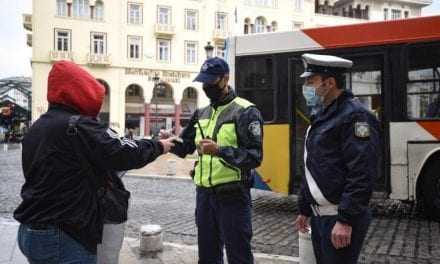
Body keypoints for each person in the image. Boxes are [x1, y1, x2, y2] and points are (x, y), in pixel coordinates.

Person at [14, 61, 175, 264]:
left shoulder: (37, 128)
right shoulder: (79, 125)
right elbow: (124, 151)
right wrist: (159, 146)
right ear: (81, 91)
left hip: (31, 231)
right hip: (65, 235)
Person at [167, 57, 263, 263]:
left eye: (210, 81)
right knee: (208, 256)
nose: (205, 86)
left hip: (233, 196)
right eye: (203, 81)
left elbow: (254, 157)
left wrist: (219, 150)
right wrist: (165, 143)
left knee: (239, 256)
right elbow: (185, 146)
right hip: (204, 196)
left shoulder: (245, 111)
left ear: (225, 79)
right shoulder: (202, 113)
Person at [294, 54, 380, 264]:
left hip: (338, 219)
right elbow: (314, 166)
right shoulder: (325, 115)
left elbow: (362, 172)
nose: (306, 86)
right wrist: (305, 208)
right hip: (320, 217)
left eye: (310, 81)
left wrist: (345, 220)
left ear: (329, 83)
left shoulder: (354, 116)